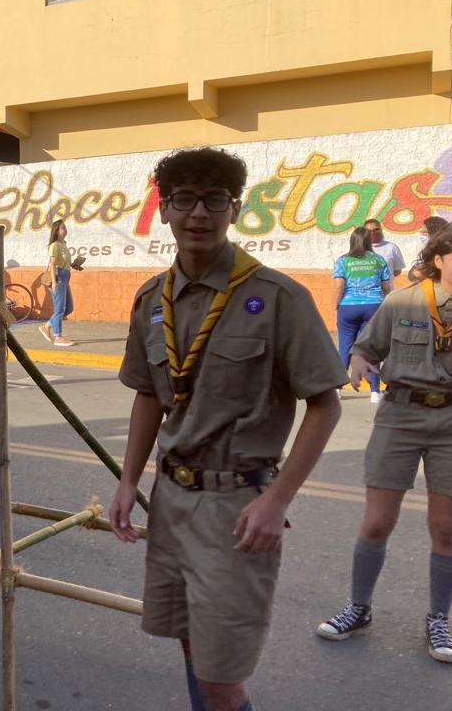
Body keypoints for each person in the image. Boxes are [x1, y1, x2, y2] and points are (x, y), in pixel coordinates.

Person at [109, 147, 346, 711]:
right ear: (165, 209)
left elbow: (325, 404)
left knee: (221, 676)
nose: (199, 213)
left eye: (215, 200)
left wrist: (276, 498)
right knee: (191, 645)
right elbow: (149, 395)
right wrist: (128, 481)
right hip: (170, 500)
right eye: (185, 199)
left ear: (235, 209)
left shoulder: (279, 297)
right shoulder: (152, 299)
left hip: (236, 507)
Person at [317, 220, 452, 664]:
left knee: (446, 529)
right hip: (400, 415)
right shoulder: (401, 301)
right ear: (439, 258)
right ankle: (359, 608)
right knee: (377, 522)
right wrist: (358, 361)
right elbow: (367, 346)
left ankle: (438, 618)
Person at [333, 227, 392, 403]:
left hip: (348, 306)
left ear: (352, 240)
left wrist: (335, 305)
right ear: (369, 241)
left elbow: (339, 285)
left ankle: (337, 389)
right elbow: (386, 286)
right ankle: (375, 392)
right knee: (372, 348)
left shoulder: (343, 260)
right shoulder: (379, 260)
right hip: (374, 306)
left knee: (344, 348)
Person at [40, 219, 75, 347]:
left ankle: (47, 326)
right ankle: (58, 336)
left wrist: (73, 265)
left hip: (65, 277)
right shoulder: (54, 245)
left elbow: (64, 261)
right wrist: (54, 281)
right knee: (59, 309)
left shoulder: (63, 244)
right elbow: (53, 264)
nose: (65, 230)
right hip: (58, 277)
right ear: (56, 231)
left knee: (69, 308)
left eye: (65, 227)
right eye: (63, 228)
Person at [408, 216, 449, 282]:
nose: (421, 234)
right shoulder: (426, 251)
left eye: (424, 232)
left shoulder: (448, 251)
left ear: (435, 233)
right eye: (421, 232)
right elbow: (412, 276)